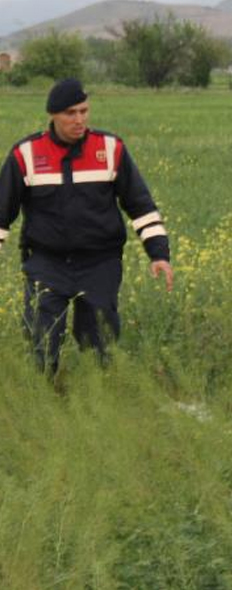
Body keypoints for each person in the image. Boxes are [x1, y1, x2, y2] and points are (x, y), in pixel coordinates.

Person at [0, 78, 173, 374]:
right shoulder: (26, 154)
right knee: (42, 343)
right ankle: (44, 400)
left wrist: (158, 254)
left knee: (100, 345)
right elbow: (2, 213)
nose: (79, 119)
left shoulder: (111, 149)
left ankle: (99, 400)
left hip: (99, 265)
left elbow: (141, 206)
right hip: (46, 264)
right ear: (53, 114)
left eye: (84, 111)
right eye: (70, 113)